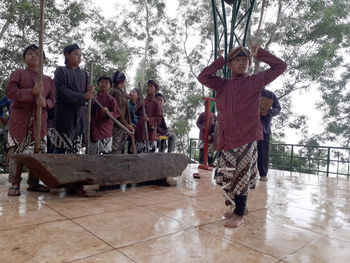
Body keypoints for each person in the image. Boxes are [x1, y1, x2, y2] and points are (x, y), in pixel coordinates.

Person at [197, 45, 287, 228]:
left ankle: (239, 213)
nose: (242, 63)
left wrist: (260, 54)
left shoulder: (255, 81)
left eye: (245, 60)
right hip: (226, 138)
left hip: (246, 136)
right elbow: (203, 77)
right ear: (230, 64)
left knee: (242, 175)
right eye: (237, 59)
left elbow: (280, 66)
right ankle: (240, 208)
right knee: (226, 175)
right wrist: (220, 60)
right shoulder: (222, 84)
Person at [5, 44, 56, 196]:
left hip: (40, 122)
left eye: (38, 54)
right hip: (20, 121)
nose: (34, 56)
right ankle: (14, 183)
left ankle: (33, 183)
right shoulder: (18, 73)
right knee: (17, 153)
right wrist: (31, 93)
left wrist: (45, 103)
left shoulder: (48, 80)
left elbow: (53, 99)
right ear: (24, 58)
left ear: (44, 60)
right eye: (30, 53)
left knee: (37, 153)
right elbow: (10, 92)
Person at [48, 44, 94, 154]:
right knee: (60, 151)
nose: (79, 57)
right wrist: (82, 96)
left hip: (79, 119)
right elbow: (62, 91)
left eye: (80, 55)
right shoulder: (60, 71)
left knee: (75, 152)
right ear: (67, 55)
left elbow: (89, 96)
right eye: (76, 54)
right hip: (64, 117)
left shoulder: (84, 74)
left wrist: (91, 93)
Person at [89, 75, 120, 154]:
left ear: (110, 86)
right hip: (94, 131)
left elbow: (116, 113)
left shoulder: (112, 100)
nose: (104, 84)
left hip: (106, 132)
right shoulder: (92, 98)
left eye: (106, 83)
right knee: (92, 157)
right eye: (102, 82)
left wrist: (108, 113)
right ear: (98, 84)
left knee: (106, 158)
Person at [258, 88, 281, 181]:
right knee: (248, 151)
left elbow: (278, 108)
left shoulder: (270, 94)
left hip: (264, 128)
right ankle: (247, 172)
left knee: (263, 152)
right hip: (249, 127)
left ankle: (263, 174)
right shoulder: (249, 91)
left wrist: (269, 112)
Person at [134, 80, 162, 153]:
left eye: (151, 86)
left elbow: (159, 118)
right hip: (140, 132)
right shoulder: (142, 101)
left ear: (155, 90)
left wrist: (149, 119)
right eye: (147, 86)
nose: (148, 88)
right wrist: (139, 106)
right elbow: (136, 112)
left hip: (150, 133)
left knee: (149, 155)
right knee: (139, 154)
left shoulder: (156, 104)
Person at [110, 70, 134, 154]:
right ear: (123, 82)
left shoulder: (118, 92)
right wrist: (127, 125)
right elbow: (118, 113)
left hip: (119, 127)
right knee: (115, 154)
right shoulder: (117, 93)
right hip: (117, 128)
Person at [127, 88, 141, 153]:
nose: (131, 93)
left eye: (133, 92)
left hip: (137, 130)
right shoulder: (126, 105)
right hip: (128, 128)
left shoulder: (140, 108)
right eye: (130, 91)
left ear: (138, 96)